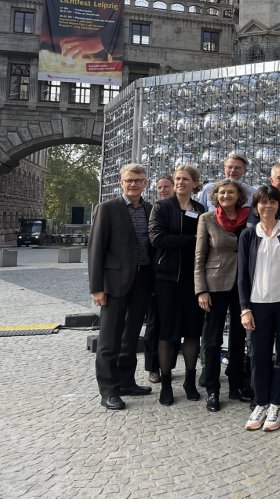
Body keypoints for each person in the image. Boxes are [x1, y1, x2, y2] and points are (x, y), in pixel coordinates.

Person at [237, 186, 280, 432]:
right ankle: (261, 403)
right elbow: (242, 275)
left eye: (273, 202)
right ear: (256, 206)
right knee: (258, 356)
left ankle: (276, 404)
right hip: (258, 304)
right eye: (263, 202)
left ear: (279, 205)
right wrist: (244, 308)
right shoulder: (248, 235)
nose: (268, 206)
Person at [88, 163, 155, 410]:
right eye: (129, 180)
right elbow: (96, 249)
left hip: (142, 281)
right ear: (121, 183)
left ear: (145, 183)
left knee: (131, 336)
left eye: (138, 180)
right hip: (114, 283)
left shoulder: (150, 209)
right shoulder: (107, 208)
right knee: (109, 339)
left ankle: (127, 382)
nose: (133, 184)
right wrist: (96, 288)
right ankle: (108, 390)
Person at [148, 164, 206, 406]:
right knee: (168, 332)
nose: (181, 182)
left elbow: (206, 241)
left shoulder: (200, 209)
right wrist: (191, 240)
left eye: (185, 179)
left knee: (192, 332)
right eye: (178, 178)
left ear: (194, 183)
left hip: (193, 279)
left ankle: (190, 380)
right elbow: (157, 238)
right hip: (167, 279)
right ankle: (166, 384)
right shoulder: (162, 207)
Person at [194, 179, 252, 412]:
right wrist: (201, 289)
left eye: (231, 192)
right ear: (215, 196)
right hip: (215, 284)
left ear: (239, 196)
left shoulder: (250, 217)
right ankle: (212, 389)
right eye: (222, 193)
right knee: (212, 339)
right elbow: (199, 256)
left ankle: (236, 385)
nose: (226, 196)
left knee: (239, 336)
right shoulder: (207, 219)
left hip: (243, 284)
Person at [145, 174, 174, 385]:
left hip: (175, 274)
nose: (162, 190)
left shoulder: (184, 208)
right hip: (156, 272)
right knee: (154, 322)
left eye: (166, 186)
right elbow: (154, 241)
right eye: (159, 187)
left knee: (171, 323)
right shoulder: (154, 209)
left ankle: (167, 365)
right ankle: (153, 366)